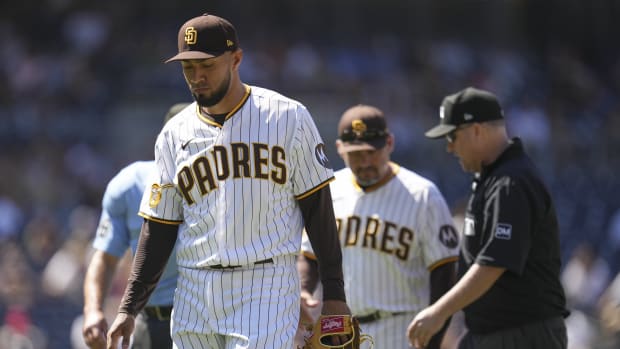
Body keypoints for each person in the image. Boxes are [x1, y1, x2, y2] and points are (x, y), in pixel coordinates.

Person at [106, 13, 350, 349]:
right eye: (188, 68)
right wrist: (129, 306)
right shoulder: (173, 134)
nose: (197, 77)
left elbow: (318, 211)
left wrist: (335, 294)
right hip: (194, 288)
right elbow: (159, 227)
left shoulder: (287, 117)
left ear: (236, 59)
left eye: (207, 65)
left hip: (263, 282)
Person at [408, 86, 570, 349]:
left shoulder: (511, 182)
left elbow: (493, 263)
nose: (449, 147)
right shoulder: (493, 179)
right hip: (490, 332)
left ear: (476, 130)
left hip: (523, 335)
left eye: (452, 136)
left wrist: (439, 311)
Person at [297, 104, 460, 348]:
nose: (365, 162)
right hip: (342, 331)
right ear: (340, 148)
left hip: (402, 330)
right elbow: (310, 255)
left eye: (372, 152)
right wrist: (305, 289)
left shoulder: (423, 195)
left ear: (390, 144)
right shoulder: (329, 190)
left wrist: (433, 340)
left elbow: (444, 273)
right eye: (356, 154)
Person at [82, 102, 190, 349]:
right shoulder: (129, 186)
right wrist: (93, 310)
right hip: (148, 324)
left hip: (207, 321)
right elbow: (105, 258)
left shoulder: (224, 187)